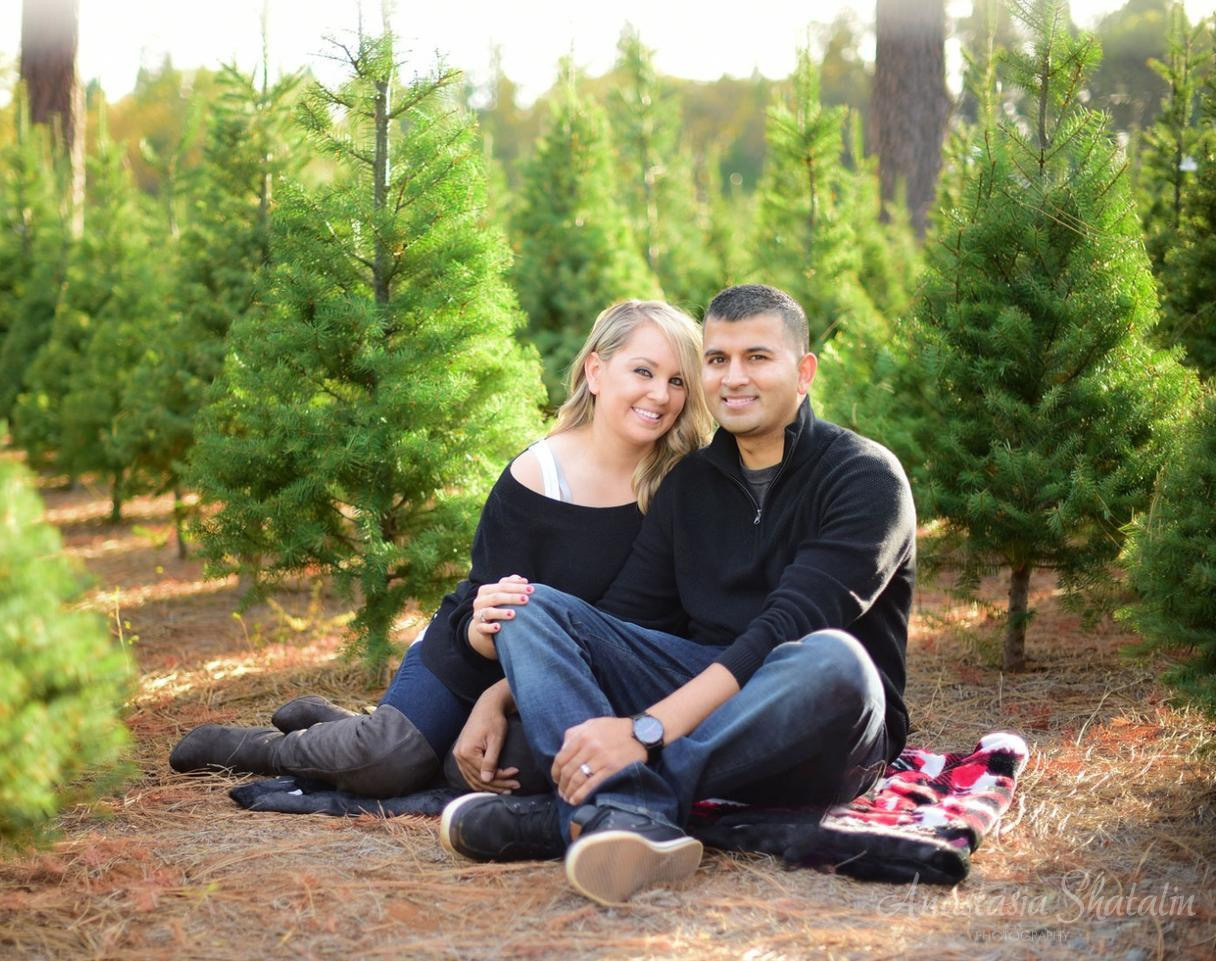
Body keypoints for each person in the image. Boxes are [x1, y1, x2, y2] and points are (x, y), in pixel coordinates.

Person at [438, 283, 918, 906]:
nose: (733, 378)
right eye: (717, 360)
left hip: (814, 720)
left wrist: (642, 732)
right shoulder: (690, 484)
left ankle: (595, 811)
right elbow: (620, 620)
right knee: (529, 608)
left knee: (836, 660)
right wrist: (498, 697)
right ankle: (624, 809)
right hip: (694, 696)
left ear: (803, 373)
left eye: (757, 357)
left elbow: (781, 632)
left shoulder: (864, 476)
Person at [168, 300, 713, 799]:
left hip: (577, 681)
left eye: (677, 382)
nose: (660, 395)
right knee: (389, 761)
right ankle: (260, 748)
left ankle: (363, 725)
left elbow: (631, 622)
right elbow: (486, 604)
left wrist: (498, 703)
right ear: (596, 371)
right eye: (642, 371)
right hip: (473, 655)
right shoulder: (539, 475)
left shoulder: (679, 487)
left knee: (511, 770)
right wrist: (483, 665)